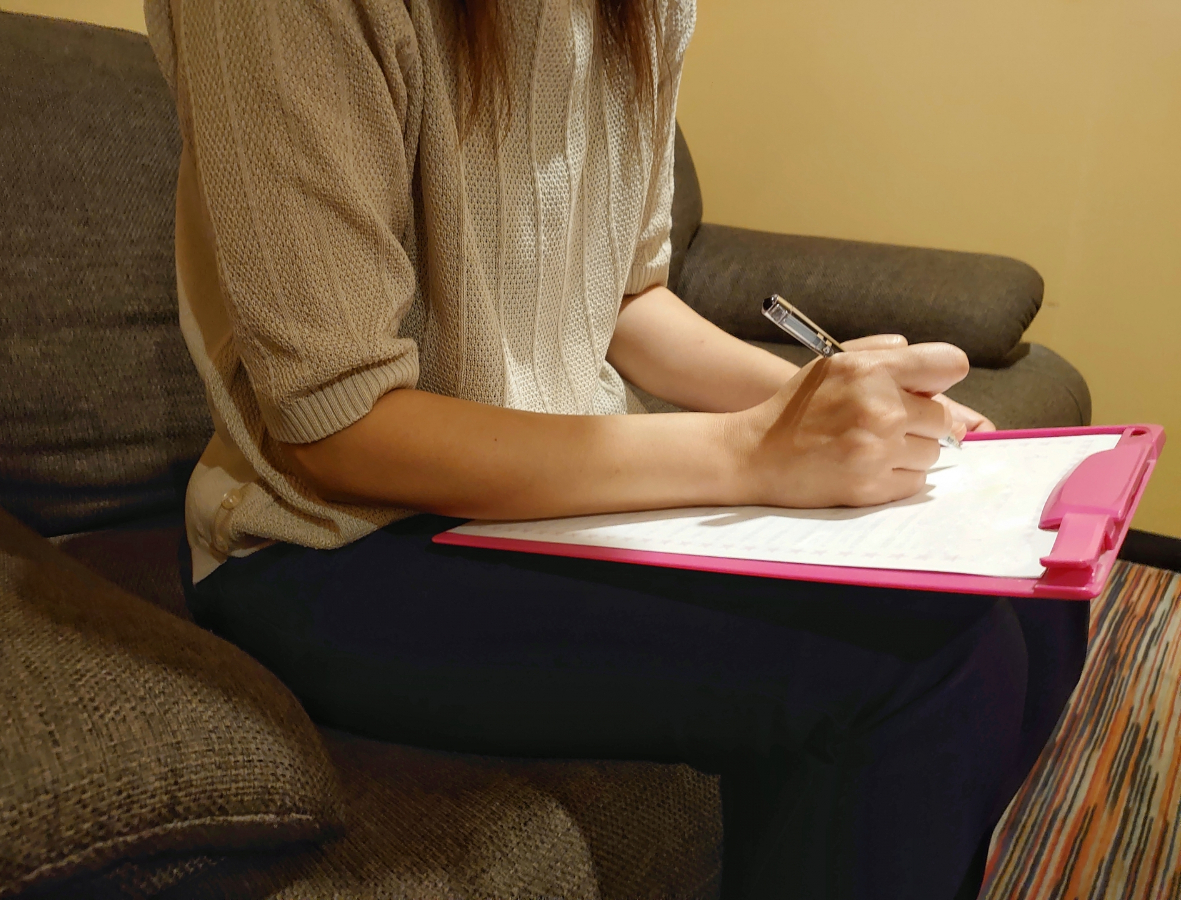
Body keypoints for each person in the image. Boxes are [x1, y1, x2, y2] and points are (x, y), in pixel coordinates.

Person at [145, 0, 1088, 896]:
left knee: (1027, 587)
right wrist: (754, 451)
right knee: (924, 667)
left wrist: (828, 401)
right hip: (329, 543)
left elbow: (625, 301)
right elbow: (338, 425)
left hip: (559, 500)